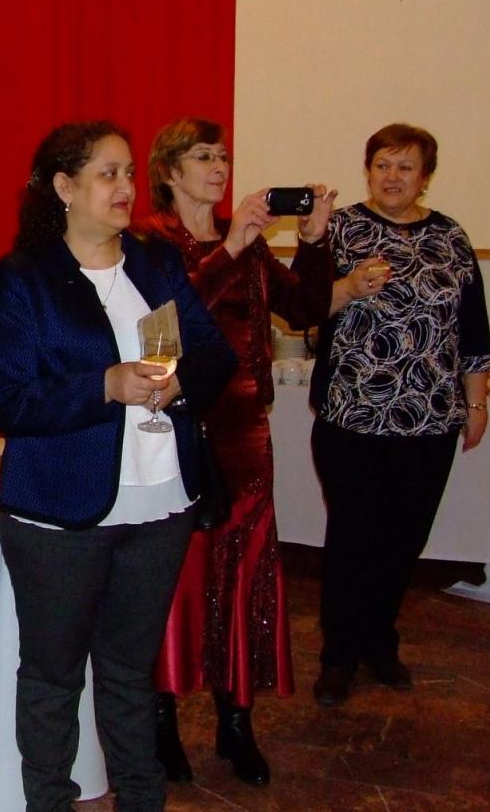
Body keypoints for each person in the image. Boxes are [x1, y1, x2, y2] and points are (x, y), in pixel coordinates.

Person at [0, 121, 236, 812]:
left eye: (128, 174)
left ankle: (142, 800)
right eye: (107, 174)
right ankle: (50, 803)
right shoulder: (23, 278)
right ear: (65, 187)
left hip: (161, 504)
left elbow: (214, 354)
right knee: (53, 679)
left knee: (129, 674)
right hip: (60, 513)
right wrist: (105, 386)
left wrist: (179, 385)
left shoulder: (155, 264)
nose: (125, 188)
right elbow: (9, 400)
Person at [142, 118, 354, 786]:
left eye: (224, 155)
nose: (219, 166)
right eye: (203, 155)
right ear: (170, 171)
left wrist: (313, 240)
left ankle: (237, 721)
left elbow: (306, 308)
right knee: (178, 576)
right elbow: (168, 319)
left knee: (245, 577)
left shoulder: (250, 243)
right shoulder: (149, 241)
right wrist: (232, 246)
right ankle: (160, 719)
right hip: (178, 427)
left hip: (246, 432)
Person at [310, 123, 490, 707]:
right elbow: (303, 310)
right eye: (382, 164)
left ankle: (379, 642)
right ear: (368, 171)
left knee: (402, 540)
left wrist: (477, 402)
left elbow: (473, 330)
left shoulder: (451, 236)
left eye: (406, 166)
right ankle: (338, 656)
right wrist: (348, 285)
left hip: (430, 420)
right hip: (352, 418)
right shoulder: (340, 228)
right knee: (351, 539)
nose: (392, 176)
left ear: (425, 176)